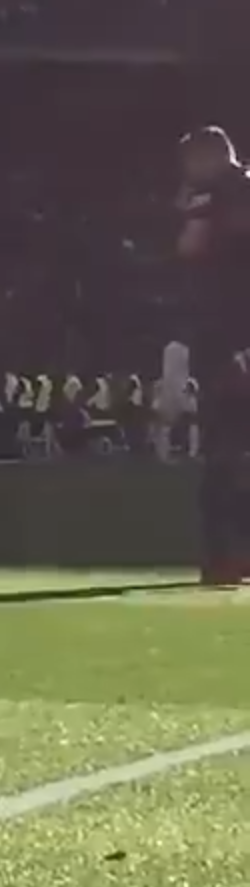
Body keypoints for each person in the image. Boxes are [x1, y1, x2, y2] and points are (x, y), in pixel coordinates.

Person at [175, 126, 250, 586]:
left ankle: (223, 557)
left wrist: (188, 214)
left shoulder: (211, 194)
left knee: (223, 450)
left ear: (207, 159)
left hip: (226, 336)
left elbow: (190, 247)